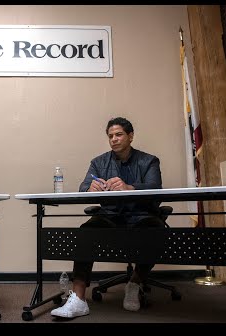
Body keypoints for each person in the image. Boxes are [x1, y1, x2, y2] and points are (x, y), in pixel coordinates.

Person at [51, 116, 165, 319]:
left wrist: (130, 187)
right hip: (110, 216)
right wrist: (90, 188)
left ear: (130, 136)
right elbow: (83, 188)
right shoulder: (98, 162)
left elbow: (155, 188)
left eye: (119, 134)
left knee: (156, 230)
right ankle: (78, 299)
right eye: (110, 136)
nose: (114, 139)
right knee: (86, 231)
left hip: (140, 215)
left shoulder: (149, 161)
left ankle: (135, 283)